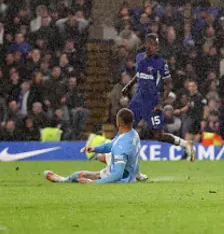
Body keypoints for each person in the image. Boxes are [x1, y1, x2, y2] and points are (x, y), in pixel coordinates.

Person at [122, 33, 195, 161]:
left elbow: (168, 84)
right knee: (126, 127)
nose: (156, 48)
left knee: (158, 135)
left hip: (153, 102)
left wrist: (161, 103)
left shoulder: (160, 62)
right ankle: (122, 161)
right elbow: (139, 74)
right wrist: (128, 86)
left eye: (157, 45)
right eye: (153, 45)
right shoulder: (139, 57)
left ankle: (186, 144)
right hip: (138, 99)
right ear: (146, 45)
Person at [44, 108, 140, 184]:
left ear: (118, 123)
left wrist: (94, 182)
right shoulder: (132, 133)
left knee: (80, 175)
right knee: (100, 158)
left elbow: (117, 175)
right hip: (129, 173)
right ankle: (138, 175)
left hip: (119, 179)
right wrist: (95, 148)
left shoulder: (121, 146)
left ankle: (62, 180)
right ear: (132, 122)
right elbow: (112, 144)